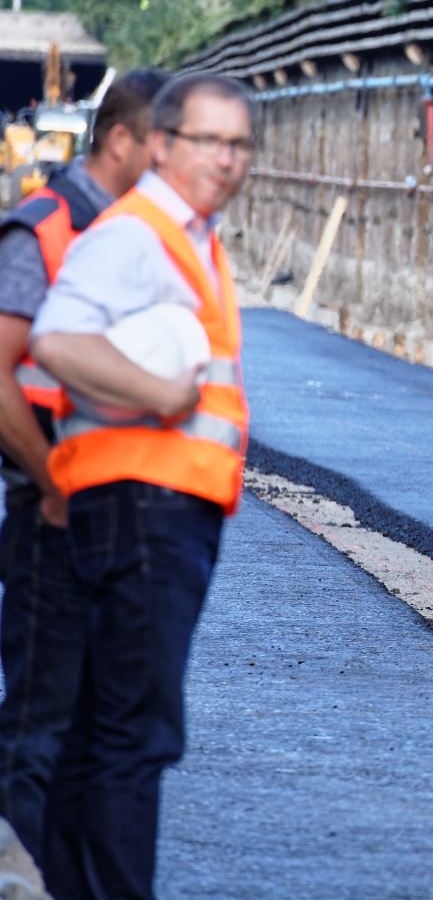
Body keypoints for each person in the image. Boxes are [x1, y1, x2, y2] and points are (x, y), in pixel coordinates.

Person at [28, 72, 254, 900]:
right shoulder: (140, 234)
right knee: (135, 734)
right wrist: (159, 394)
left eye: (238, 145)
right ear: (161, 143)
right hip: (145, 501)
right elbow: (56, 339)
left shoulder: (193, 236)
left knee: (99, 730)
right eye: (207, 141)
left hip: (154, 502)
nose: (224, 160)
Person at [0, 70, 164, 867]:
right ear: (125, 140)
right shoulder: (48, 227)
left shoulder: (144, 238)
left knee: (109, 735)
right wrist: (57, 484)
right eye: (164, 148)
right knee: (39, 733)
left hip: (130, 519)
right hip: (54, 514)